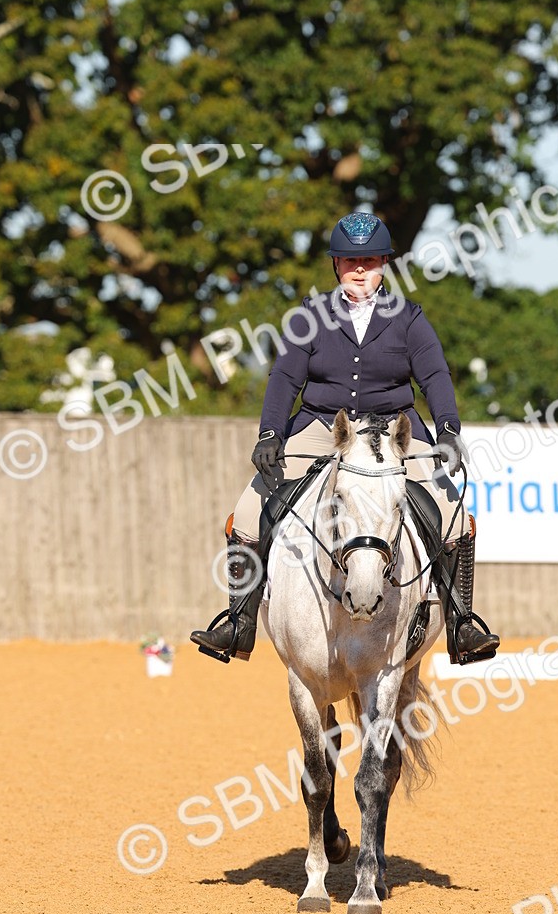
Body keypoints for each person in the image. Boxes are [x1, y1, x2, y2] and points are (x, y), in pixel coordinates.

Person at [191, 211, 500, 665]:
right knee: (248, 509)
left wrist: (449, 429)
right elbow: (283, 378)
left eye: (371, 261)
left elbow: (434, 375)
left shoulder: (409, 318)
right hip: (322, 428)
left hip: (392, 430)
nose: (360, 270)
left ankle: (461, 624)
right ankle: (239, 620)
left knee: (454, 512)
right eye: (351, 261)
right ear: (336, 265)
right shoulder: (310, 316)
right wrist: (271, 433)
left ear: (384, 266)